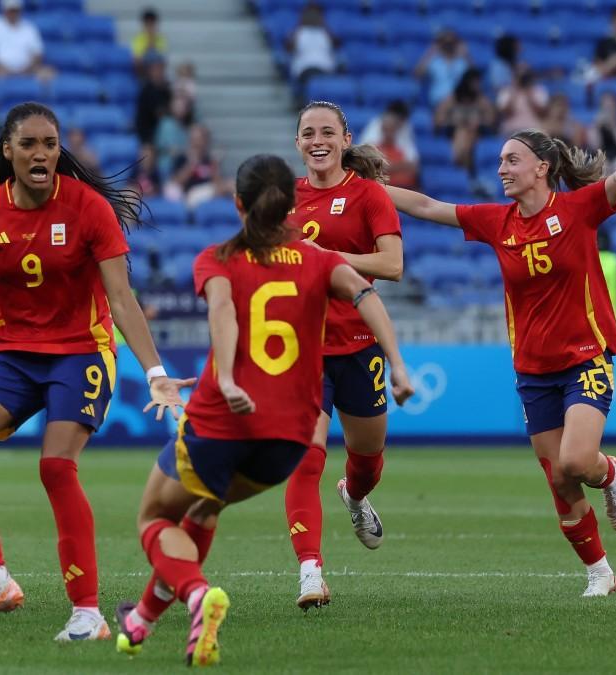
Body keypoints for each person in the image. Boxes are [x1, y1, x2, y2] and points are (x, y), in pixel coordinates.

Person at [0, 102, 190, 641]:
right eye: (29, 144)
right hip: (16, 353)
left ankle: (87, 613)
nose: (40, 153)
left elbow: (121, 299)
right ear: (9, 151)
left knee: (55, 468)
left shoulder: (89, 209)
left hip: (81, 353)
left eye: (49, 144)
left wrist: (156, 370)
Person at [386, 91, 616, 597]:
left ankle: (610, 471)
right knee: (558, 479)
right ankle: (600, 572)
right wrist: (370, 190)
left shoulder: (578, 209)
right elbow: (426, 204)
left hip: (584, 359)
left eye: (512, 160)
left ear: (543, 167)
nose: (502, 168)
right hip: (532, 369)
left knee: (577, 462)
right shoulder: (497, 221)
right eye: (500, 161)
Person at [112, 153, 412, 664]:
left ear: (237, 203)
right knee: (205, 508)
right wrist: (398, 364)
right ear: (294, 206)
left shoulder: (218, 258)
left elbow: (225, 315)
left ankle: (198, 596)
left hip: (223, 421)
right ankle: (141, 618)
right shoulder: (322, 259)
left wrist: (225, 376)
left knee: (155, 517)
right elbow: (366, 294)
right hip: (286, 440)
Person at [276, 101, 405, 609]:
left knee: (367, 461)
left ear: (346, 139)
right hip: (302, 350)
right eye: (308, 133)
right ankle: (311, 573)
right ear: (298, 143)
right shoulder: (281, 199)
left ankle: (353, 494)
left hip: (358, 347)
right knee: (304, 457)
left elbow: (392, 263)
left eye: (327, 131)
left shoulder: (369, 195)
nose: (317, 140)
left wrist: (329, 259)